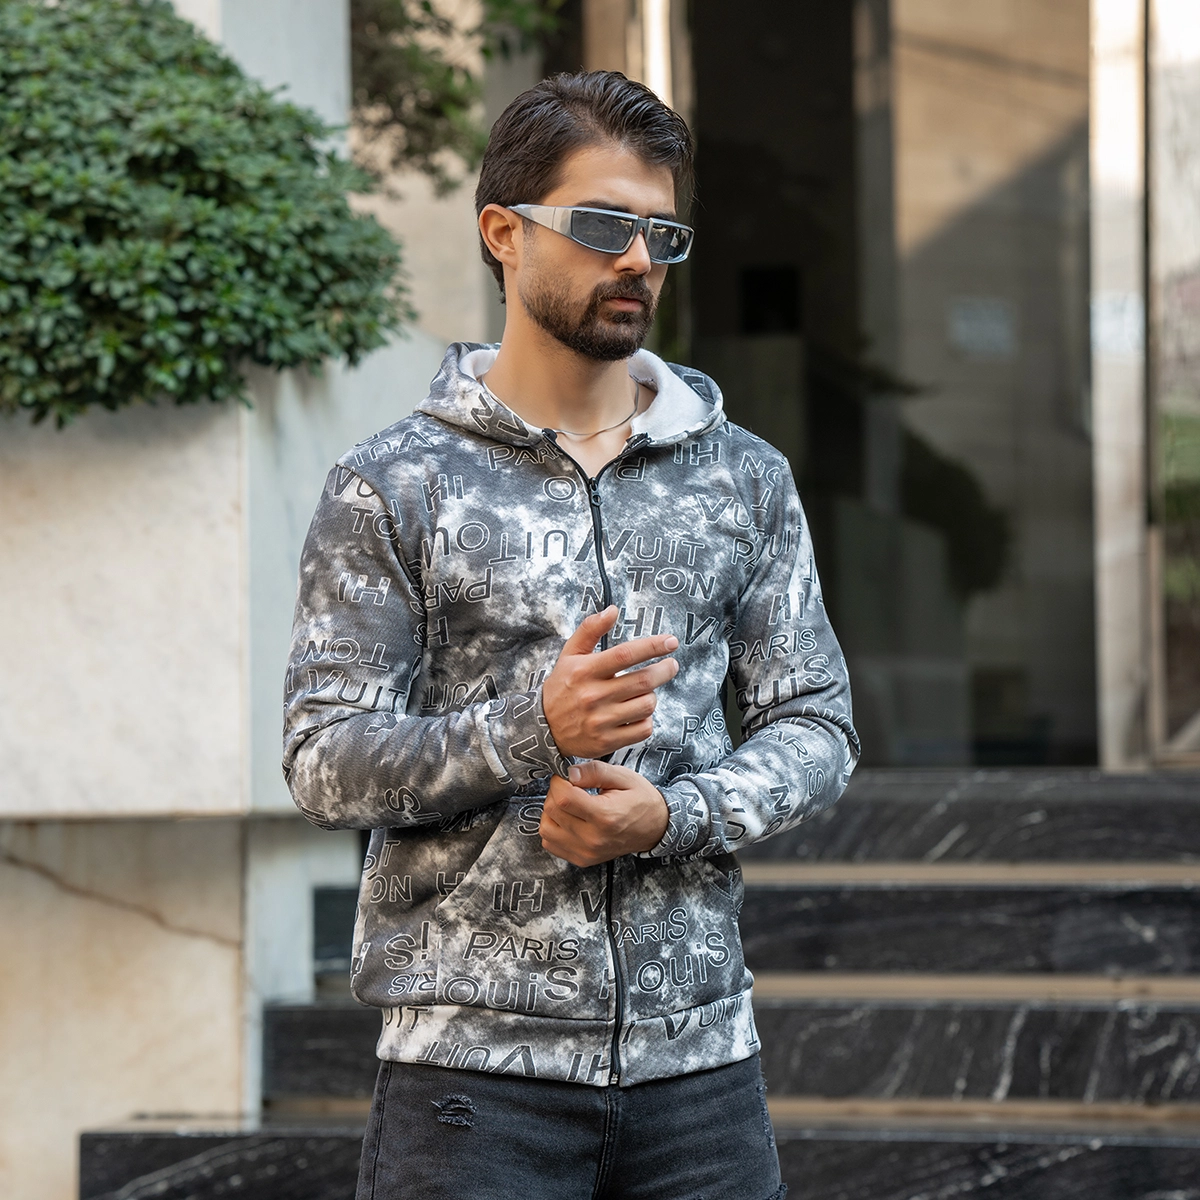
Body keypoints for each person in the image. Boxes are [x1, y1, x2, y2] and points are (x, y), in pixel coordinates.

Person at [283, 69, 858, 1200]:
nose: (637, 258)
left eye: (661, 233)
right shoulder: (393, 483)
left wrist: (674, 814)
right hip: (470, 1085)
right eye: (602, 225)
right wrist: (528, 731)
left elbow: (817, 726)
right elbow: (322, 761)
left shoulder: (742, 479)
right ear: (504, 232)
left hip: (700, 1078)